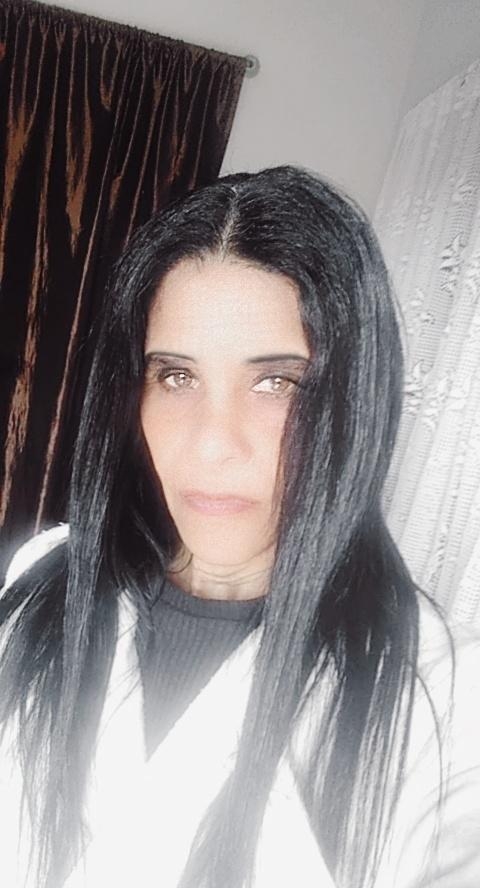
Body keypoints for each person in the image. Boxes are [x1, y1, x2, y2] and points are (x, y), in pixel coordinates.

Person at [0, 165, 479, 888]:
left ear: (354, 400)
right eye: (176, 376)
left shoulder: (443, 697)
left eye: (276, 382)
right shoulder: (43, 581)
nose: (211, 445)